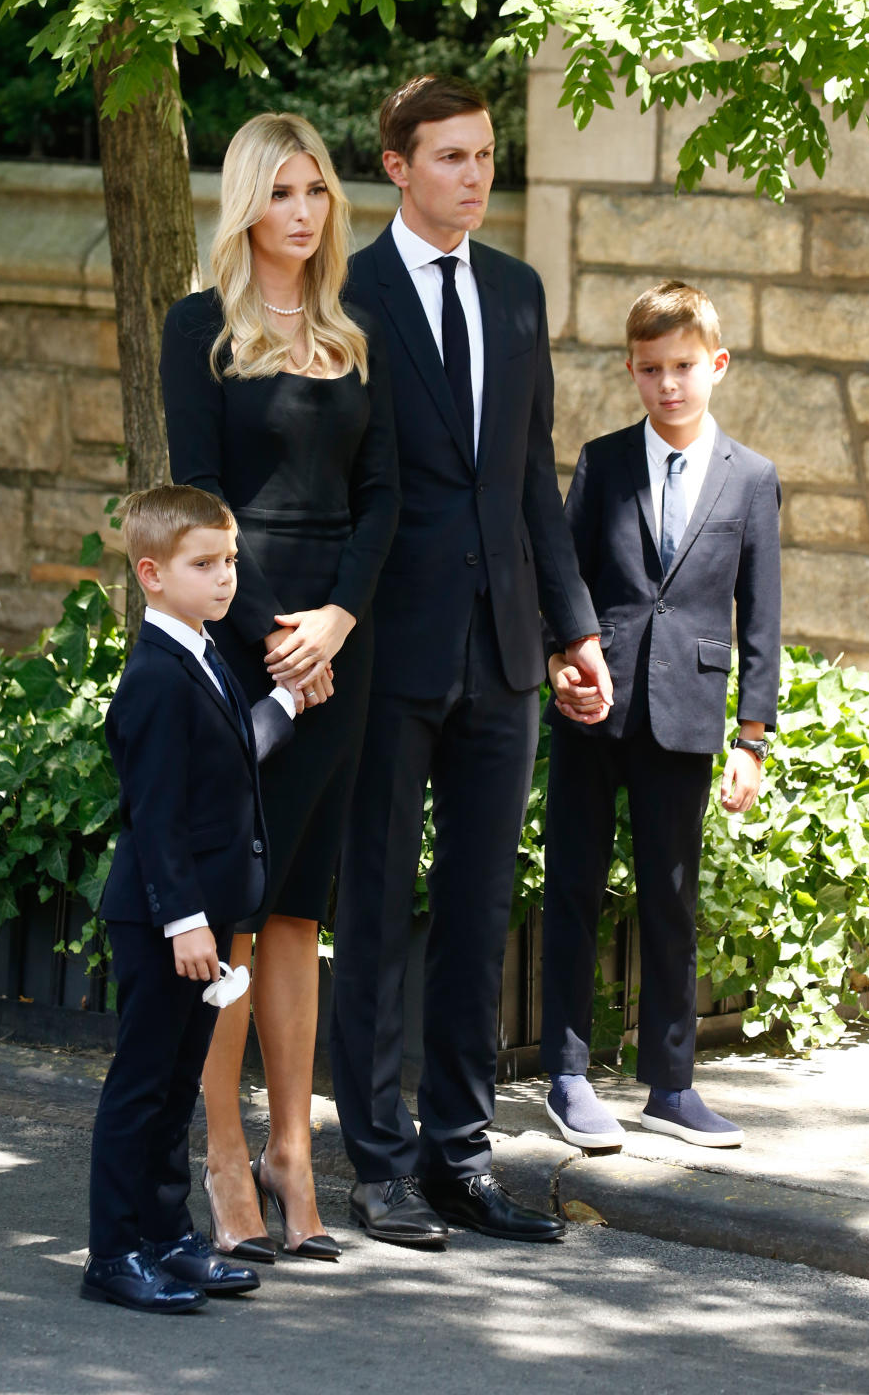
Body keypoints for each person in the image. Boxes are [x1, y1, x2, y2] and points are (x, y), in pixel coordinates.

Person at [329, 75, 612, 1248]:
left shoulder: (515, 288)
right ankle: (377, 1163)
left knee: (478, 909)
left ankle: (457, 1155)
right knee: (380, 904)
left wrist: (574, 627)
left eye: (486, 155)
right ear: (397, 165)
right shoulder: (350, 291)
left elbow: (530, 479)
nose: (476, 175)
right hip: (390, 648)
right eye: (450, 157)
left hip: (502, 654)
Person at [161, 113, 399, 1262]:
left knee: (300, 905)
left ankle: (294, 1154)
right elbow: (200, 498)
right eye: (283, 191)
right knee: (238, 910)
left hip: (337, 651)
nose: (303, 212)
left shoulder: (357, 335)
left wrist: (337, 625)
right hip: (237, 639)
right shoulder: (199, 330)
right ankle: (220, 1153)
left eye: (318, 192)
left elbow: (385, 498)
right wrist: (269, 636)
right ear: (248, 201)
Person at [541, 279, 782, 1152]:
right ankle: (568, 1077)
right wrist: (560, 661)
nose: (667, 384)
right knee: (571, 884)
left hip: (685, 714)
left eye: (683, 366)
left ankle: (672, 1087)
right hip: (592, 705)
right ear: (632, 372)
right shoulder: (602, 463)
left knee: (671, 897)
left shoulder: (753, 480)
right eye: (650, 369)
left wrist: (753, 740)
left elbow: (761, 620)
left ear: (715, 365)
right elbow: (562, 580)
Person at [82, 485, 296, 1313]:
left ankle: (167, 1238)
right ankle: (112, 1254)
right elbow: (157, 815)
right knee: (140, 1088)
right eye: (203, 565)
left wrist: (281, 703)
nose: (225, 579)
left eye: (230, 561)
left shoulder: (201, 657)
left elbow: (234, 754)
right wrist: (185, 921)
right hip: (163, 921)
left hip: (202, 924)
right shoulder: (154, 679)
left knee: (177, 1090)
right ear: (151, 574)